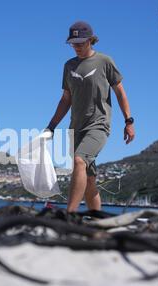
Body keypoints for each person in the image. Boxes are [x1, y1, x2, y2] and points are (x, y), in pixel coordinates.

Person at [46, 21, 135, 212]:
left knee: (79, 161)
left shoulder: (104, 61)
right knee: (89, 178)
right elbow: (65, 99)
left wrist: (128, 121)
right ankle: (96, 219)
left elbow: (120, 92)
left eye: (80, 42)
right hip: (76, 127)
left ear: (90, 40)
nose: (76, 47)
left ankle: (69, 215)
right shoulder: (69, 65)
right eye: (73, 43)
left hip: (98, 124)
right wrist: (51, 126)